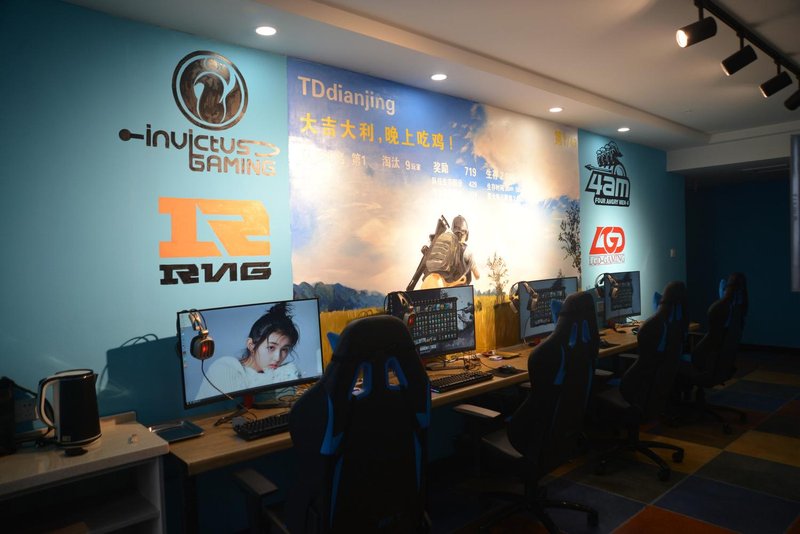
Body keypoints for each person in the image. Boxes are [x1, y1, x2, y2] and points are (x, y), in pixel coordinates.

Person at [194, 302, 301, 400]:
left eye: (284, 349)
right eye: (271, 347)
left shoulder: (280, 373)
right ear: (251, 345)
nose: (277, 358)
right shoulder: (226, 367)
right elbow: (234, 407)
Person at [421, 214, 480, 288]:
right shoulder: (468, 252)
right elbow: (477, 276)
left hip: (441, 287)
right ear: (467, 234)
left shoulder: (443, 246)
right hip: (461, 289)